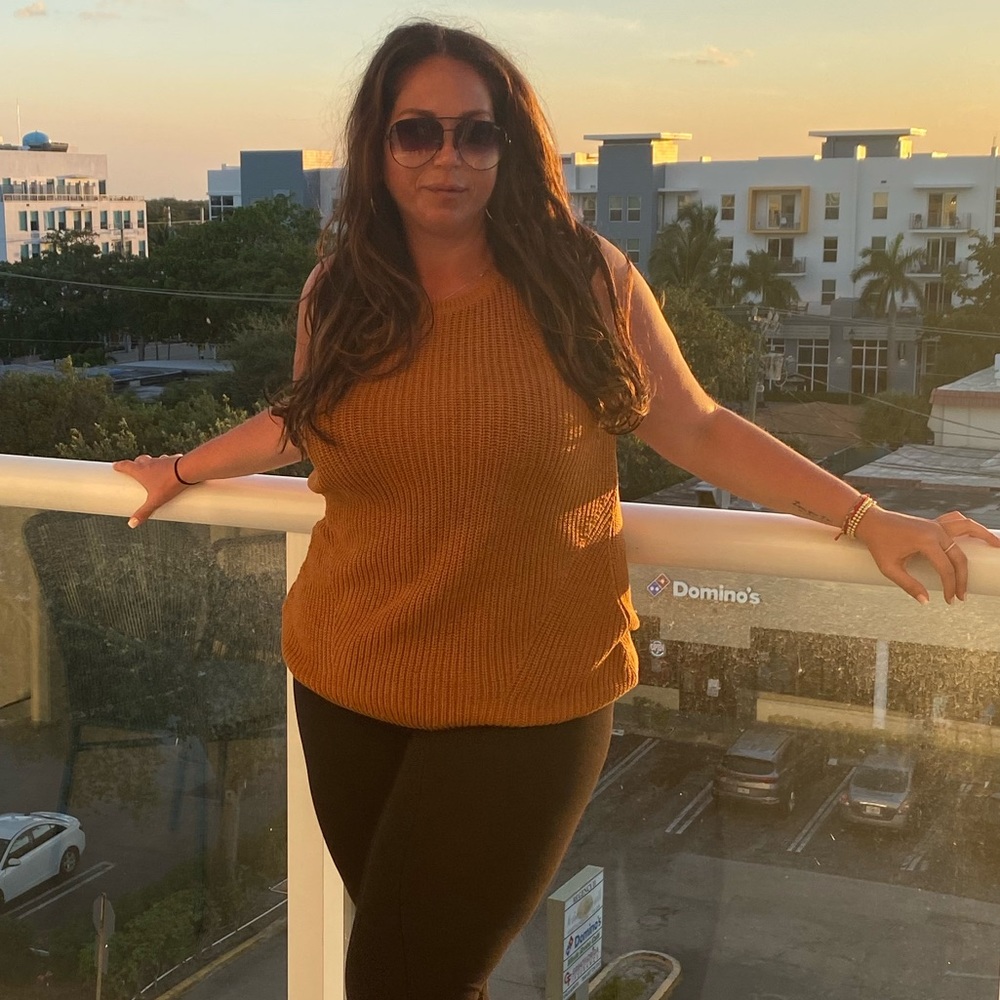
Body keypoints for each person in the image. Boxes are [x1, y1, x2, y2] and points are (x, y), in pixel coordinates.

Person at [113, 20, 999, 1000]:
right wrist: (182, 466)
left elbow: (699, 428)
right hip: (345, 680)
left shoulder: (585, 283)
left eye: (474, 132)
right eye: (417, 132)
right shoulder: (340, 292)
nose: (447, 156)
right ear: (376, 146)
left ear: (509, 146)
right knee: (436, 974)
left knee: (396, 981)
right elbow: (310, 419)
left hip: (528, 700)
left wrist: (862, 514)